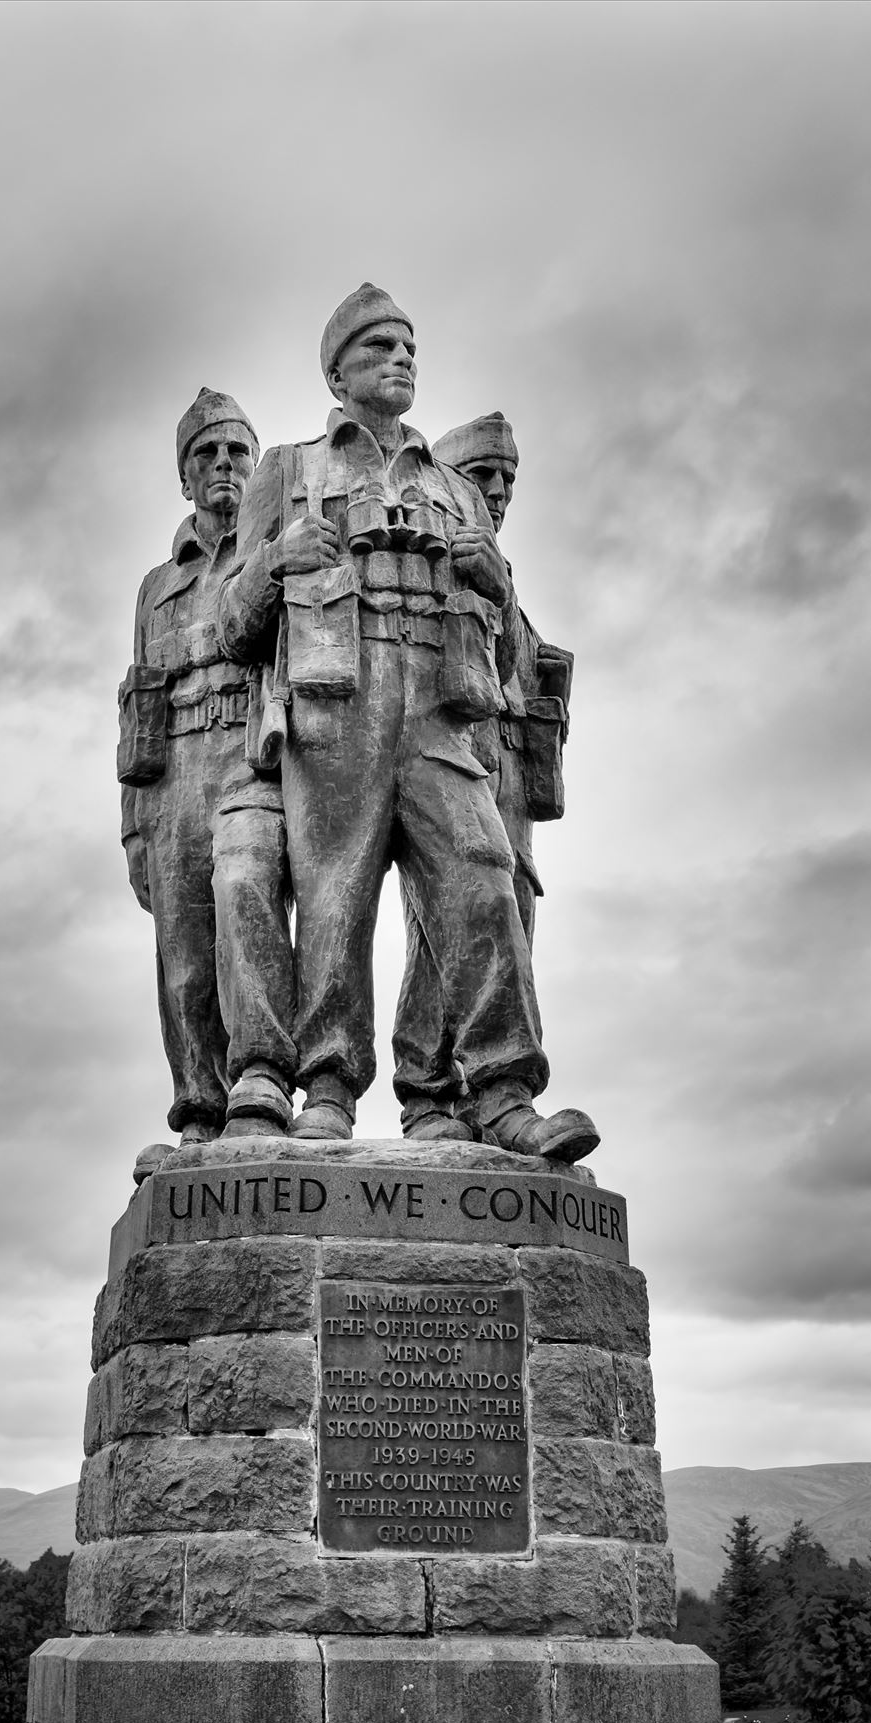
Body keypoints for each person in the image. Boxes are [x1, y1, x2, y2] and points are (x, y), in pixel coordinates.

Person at [219, 287, 597, 1162]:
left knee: (480, 872)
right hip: (335, 707)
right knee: (334, 899)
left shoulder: (454, 489)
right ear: (336, 370)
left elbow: (507, 669)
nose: (401, 360)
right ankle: (325, 1087)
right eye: (380, 346)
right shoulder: (288, 467)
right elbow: (237, 629)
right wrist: (278, 561)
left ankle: (503, 1093)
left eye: (410, 348)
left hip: (434, 712)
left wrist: (494, 583)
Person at [118, 389, 295, 1145]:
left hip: (248, 760)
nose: (223, 465)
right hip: (171, 778)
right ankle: (198, 1112)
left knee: (244, 884)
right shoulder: (156, 586)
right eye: (206, 455)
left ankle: (261, 1079)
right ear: (185, 477)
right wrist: (133, 832)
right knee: (184, 958)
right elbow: (136, 702)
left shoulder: (274, 550)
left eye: (236, 454)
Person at [392, 412, 573, 1139]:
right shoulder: (427, 565)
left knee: (507, 925)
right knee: (441, 934)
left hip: (509, 796)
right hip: (444, 766)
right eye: (481, 476)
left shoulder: (508, 592)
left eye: (507, 480)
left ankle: (474, 1098)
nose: (496, 492)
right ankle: (429, 1091)